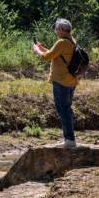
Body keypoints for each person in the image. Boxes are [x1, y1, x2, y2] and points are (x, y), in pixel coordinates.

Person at [32, 18, 79, 148]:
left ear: (63, 30)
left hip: (61, 80)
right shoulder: (71, 41)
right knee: (66, 109)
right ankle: (69, 138)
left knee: (62, 109)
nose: (55, 31)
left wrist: (37, 50)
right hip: (71, 80)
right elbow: (55, 54)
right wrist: (42, 47)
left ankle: (69, 140)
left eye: (56, 29)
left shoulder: (61, 42)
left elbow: (46, 57)